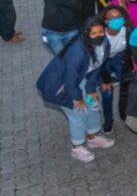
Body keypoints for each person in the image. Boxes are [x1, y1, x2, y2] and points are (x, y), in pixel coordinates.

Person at [35, 17, 115, 162]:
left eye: (101, 32)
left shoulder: (105, 44)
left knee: (92, 104)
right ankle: (77, 147)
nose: (98, 36)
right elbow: (69, 79)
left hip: (80, 80)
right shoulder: (77, 51)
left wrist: (90, 89)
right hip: (61, 86)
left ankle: (93, 137)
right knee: (78, 112)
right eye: (94, 33)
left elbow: (97, 68)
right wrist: (77, 98)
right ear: (86, 34)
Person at [100, 6, 131, 133]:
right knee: (106, 91)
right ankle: (108, 120)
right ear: (106, 21)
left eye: (119, 17)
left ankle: (125, 113)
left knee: (126, 86)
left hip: (120, 58)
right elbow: (98, 61)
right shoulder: (100, 35)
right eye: (112, 18)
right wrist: (105, 80)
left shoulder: (127, 31)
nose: (116, 20)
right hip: (103, 62)